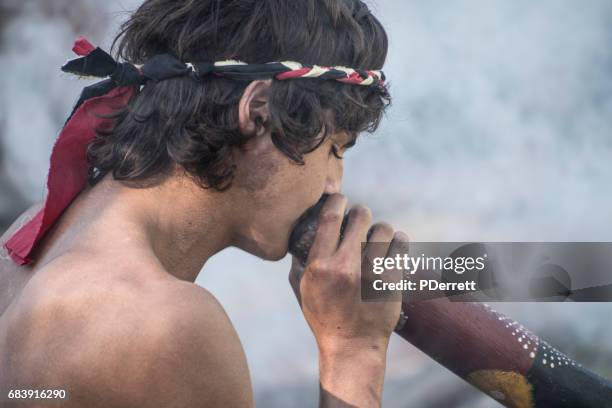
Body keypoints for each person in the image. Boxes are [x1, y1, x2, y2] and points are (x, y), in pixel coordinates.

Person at [0, 0, 407, 406]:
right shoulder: (168, 326)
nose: (334, 186)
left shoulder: (32, 234)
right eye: (335, 148)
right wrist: (353, 350)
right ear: (258, 112)